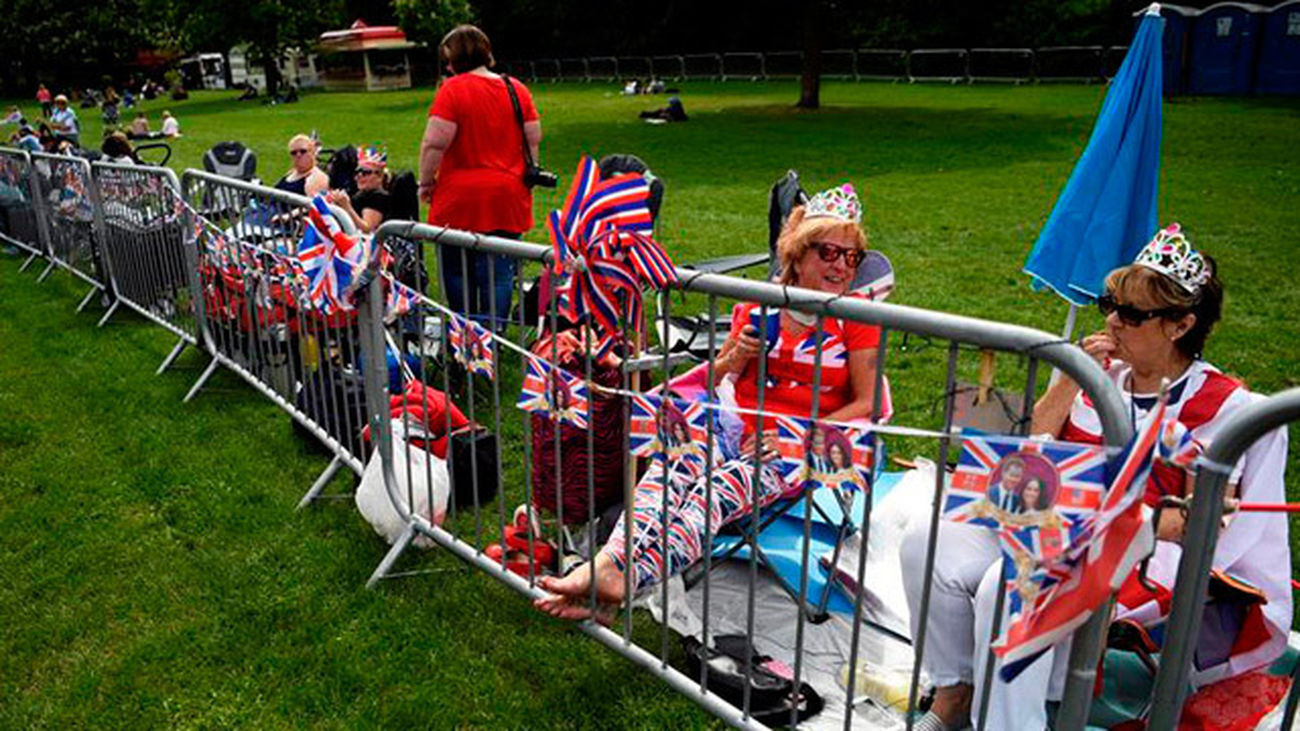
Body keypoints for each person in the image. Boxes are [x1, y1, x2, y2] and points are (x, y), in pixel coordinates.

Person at [901, 224, 1292, 731]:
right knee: (926, 540)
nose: (1112, 320)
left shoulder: (1224, 410)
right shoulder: (1100, 374)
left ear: (1180, 325)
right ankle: (955, 694)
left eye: (1131, 313)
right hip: (1054, 527)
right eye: (1110, 304)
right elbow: (1034, 440)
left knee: (1013, 584)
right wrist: (1072, 376)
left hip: (1145, 556)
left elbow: (1204, 525)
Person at [535, 183, 881, 624]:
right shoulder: (759, 308)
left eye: (852, 257)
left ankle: (629, 577)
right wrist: (733, 358)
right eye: (829, 252)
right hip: (734, 425)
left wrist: (798, 438)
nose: (842, 266)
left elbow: (868, 403)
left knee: (712, 492)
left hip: (798, 450)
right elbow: (716, 378)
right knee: (670, 469)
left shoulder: (861, 318)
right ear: (797, 251)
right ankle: (610, 564)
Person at [419, 24, 542, 331]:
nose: (447, 67)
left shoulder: (453, 90)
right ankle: (493, 338)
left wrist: (425, 182)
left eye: (449, 60)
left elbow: (435, 142)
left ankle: (464, 336)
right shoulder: (517, 89)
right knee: (500, 273)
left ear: (457, 58)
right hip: (507, 195)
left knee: (459, 271)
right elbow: (533, 139)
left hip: (461, 199)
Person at [327, 146, 390, 234]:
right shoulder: (361, 194)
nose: (359, 176)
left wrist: (346, 207)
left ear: (379, 177)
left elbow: (367, 229)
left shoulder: (378, 197)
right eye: (357, 172)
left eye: (365, 172)